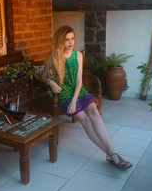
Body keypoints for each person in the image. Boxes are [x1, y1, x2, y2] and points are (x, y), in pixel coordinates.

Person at [41, 25, 132, 170]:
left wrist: (74, 101)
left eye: (72, 38)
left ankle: (112, 152)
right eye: (66, 39)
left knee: (95, 113)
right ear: (60, 41)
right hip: (64, 95)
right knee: (85, 121)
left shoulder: (78, 55)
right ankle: (111, 154)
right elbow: (43, 76)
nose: (71, 42)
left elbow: (79, 81)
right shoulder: (53, 56)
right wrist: (50, 82)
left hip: (79, 92)